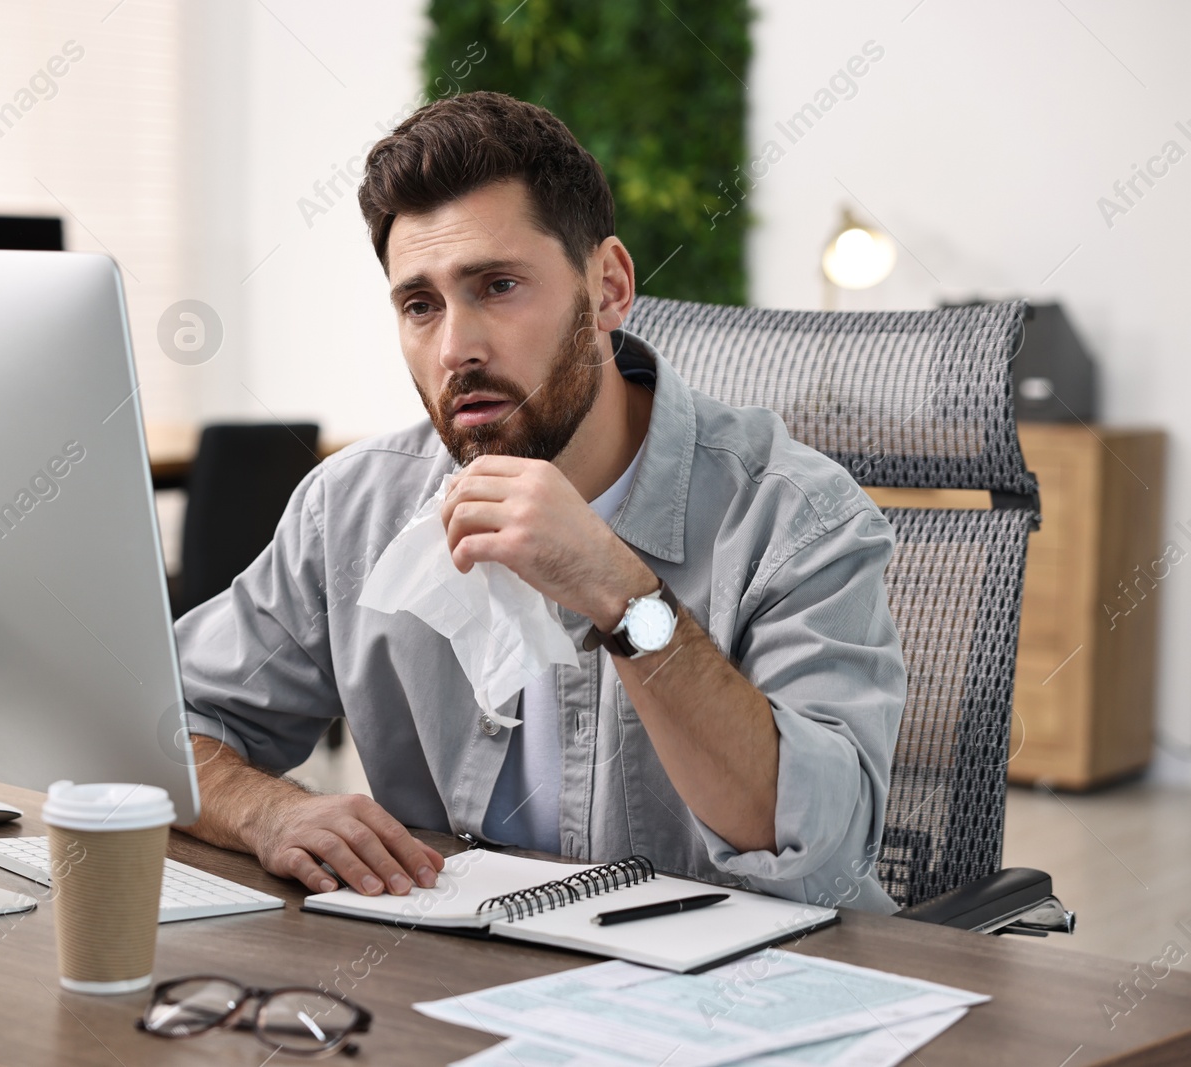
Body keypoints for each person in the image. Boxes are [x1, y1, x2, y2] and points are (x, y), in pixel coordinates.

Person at [175, 91, 904, 913]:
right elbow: (158, 726)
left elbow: (822, 848)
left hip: (725, 1007)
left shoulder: (794, 514)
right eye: (421, 305)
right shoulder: (352, 509)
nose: (457, 348)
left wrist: (625, 599)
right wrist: (266, 809)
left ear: (608, 287)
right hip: (451, 997)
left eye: (498, 285)